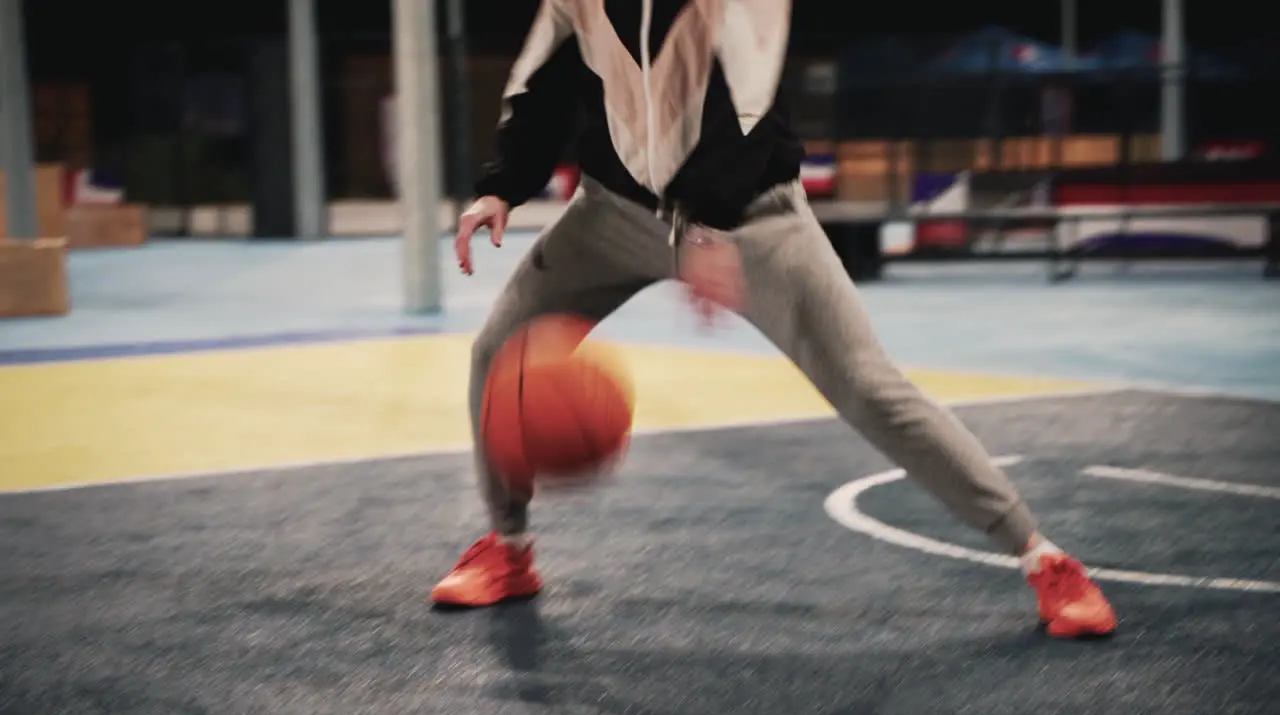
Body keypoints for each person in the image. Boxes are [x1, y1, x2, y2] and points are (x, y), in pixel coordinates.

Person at [431, 0, 1117, 639]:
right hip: (613, 213)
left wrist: (706, 222)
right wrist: (500, 185)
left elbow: (747, 107)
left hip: (749, 216)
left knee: (867, 385)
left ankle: (1042, 557)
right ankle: (510, 549)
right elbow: (544, 83)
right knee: (500, 349)